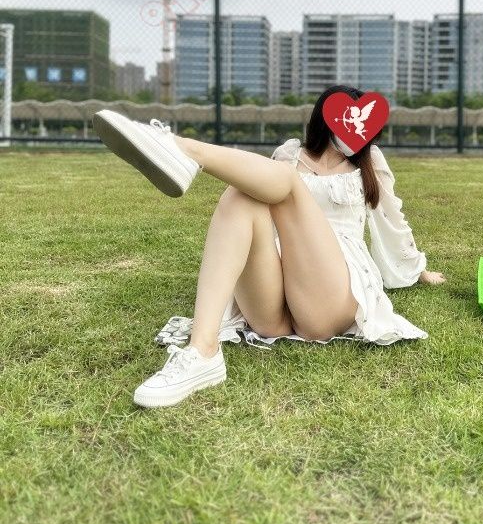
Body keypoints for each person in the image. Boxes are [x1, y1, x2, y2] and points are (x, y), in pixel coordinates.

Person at [92, 84, 446, 409]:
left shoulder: (369, 162)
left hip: (334, 284)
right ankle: (202, 352)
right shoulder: (290, 154)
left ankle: (182, 148)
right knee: (240, 196)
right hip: (276, 291)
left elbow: (393, 220)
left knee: (287, 182)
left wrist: (417, 270)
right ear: (325, 118)